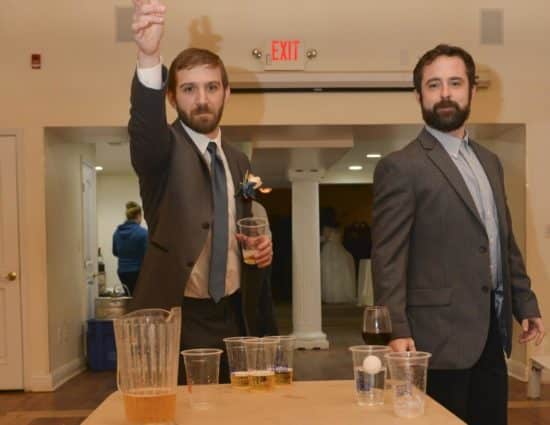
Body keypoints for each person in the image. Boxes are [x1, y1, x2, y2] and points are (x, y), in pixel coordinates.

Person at [371, 44, 545, 425]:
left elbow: (502, 240)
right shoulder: (401, 167)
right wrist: (395, 330)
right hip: (433, 340)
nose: (445, 93)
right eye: (434, 85)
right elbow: (388, 257)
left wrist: (525, 303)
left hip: (489, 335)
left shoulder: (490, 162)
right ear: (419, 95)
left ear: (472, 91)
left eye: (454, 83)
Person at [128, 0, 274, 384]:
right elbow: (145, 131)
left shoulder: (239, 160)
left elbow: (244, 226)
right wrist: (149, 56)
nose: (202, 98)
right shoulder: (161, 151)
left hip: (238, 315)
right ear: (173, 97)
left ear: (226, 93)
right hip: (179, 316)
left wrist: (260, 248)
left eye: (211, 87)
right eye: (189, 89)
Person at [112, 201, 148, 296]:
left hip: (122, 272)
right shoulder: (143, 233)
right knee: (138, 298)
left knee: (129, 296)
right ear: (139, 215)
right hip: (138, 272)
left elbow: (115, 252)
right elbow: (147, 255)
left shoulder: (117, 233)